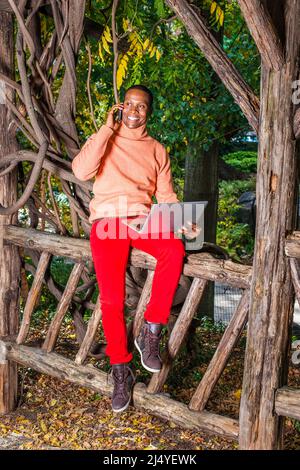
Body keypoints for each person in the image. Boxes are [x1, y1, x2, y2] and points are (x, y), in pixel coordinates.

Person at [72, 84, 198, 413]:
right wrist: (107, 127)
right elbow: (80, 171)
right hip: (108, 222)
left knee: (173, 249)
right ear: (120, 107)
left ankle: (150, 331)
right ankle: (120, 370)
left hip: (143, 219)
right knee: (112, 300)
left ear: (148, 112)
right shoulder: (106, 139)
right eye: (128, 104)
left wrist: (182, 221)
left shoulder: (157, 149)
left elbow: (166, 197)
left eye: (140, 106)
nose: (133, 110)